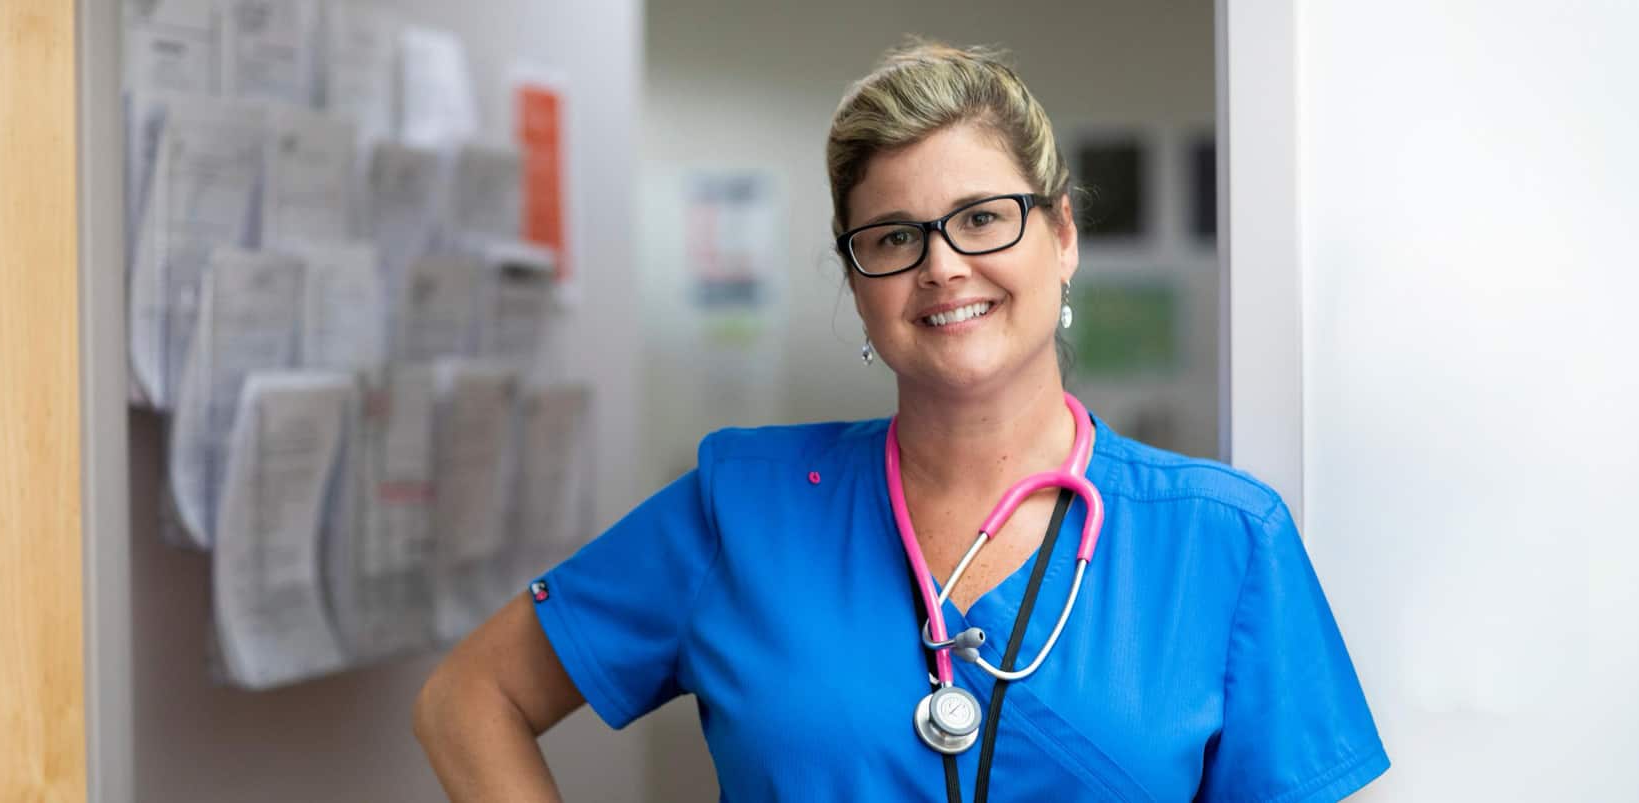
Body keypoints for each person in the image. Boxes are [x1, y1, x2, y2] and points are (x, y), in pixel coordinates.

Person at [415, 40, 1388, 802]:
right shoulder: (740, 508)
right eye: (893, 237)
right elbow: (470, 697)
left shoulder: (1222, 540)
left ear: (1062, 236)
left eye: (981, 218)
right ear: (856, 281)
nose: (942, 266)